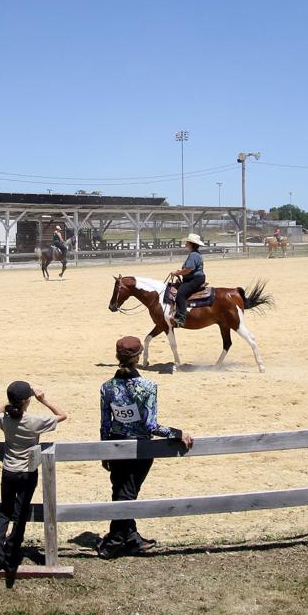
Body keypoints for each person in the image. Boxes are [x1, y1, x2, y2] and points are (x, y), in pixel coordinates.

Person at [95, 336, 193, 559]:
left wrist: (103, 452)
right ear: (138, 357)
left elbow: (105, 424)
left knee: (121, 491)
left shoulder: (107, 388)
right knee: (127, 493)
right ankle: (116, 541)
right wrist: (177, 433)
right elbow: (151, 425)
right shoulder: (148, 387)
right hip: (140, 449)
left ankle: (131, 537)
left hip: (115, 445)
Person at [0, 381, 68, 587]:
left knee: (4, 512)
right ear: (26, 401)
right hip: (27, 473)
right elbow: (62, 415)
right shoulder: (34, 421)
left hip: (8, 471)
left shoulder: (5, 420)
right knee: (20, 514)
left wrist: (9, 403)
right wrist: (44, 399)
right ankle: (12, 557)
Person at [169, 233, 206, 327]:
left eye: (187, 243)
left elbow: (189, 269)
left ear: (191, 244)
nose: (185, 244)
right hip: (197, 278)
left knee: (180, 294)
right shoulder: (196, 254)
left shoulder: (193, 255)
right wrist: (180, 272)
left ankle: (181, 318)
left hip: (195, 279)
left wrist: (176, 273)